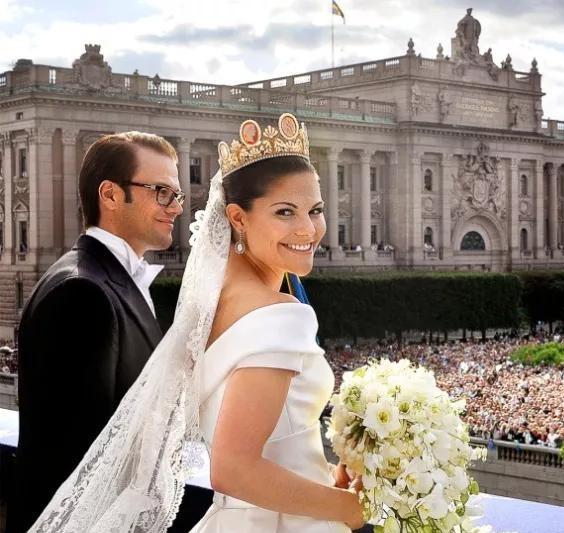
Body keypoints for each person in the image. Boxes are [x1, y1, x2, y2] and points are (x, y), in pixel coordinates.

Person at [29, 114, 366, 532]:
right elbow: (235, 467)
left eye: (316, 210)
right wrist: (354, 509)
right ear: (237, 219)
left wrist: (325, 481)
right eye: (285, 211)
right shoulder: (281, 315)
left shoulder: (214, 307)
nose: (308, 229)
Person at [8, 132, 181, 533]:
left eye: (177, 195)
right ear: (110, 195)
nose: (175, 207)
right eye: (161, 192)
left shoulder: (98, 276)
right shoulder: (83, 293)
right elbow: (79, 460)